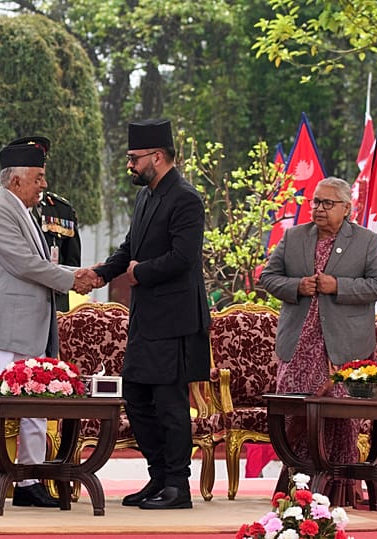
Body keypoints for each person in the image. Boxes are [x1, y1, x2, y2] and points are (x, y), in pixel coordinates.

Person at [0, 136, 94, 508]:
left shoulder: (25, 210)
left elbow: (38, 263)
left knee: (36, 404)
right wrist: (75, 278)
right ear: (16, 180)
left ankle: (30, 479)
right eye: (38, 177)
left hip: (28, 329)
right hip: (0, 328)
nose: (44, 184)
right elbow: (25, 264)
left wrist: (79, 273)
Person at [84, 118, 211, 510]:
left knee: (170, 404)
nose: (130, 165)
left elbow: (182, 258)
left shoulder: (185, 198)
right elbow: (128, 249)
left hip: (174, 320)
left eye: (134, 158)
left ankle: (178, 486)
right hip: (145, 319)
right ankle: (159, 475)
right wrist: (98, 274)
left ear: (158, 157)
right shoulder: (146, 197)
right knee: (136, 397)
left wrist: (140, 272)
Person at [260, 177, 377, 496]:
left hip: (343, 349)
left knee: (340, 418)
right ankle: (295, 485)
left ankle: (339, 488)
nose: (318, 208)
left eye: (327, 203)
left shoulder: (366, 241)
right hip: (299, 345)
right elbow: (267, 277)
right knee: (296, 415)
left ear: (347, 208)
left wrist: (340, 286)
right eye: (315, 202)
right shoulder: (293, 237)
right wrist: (296, 287)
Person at [8, 137, 82, 312]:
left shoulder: (62, 210)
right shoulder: (0, 211)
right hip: (16, 305)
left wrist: (80, 277)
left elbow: (72, 260)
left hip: (54, 306)